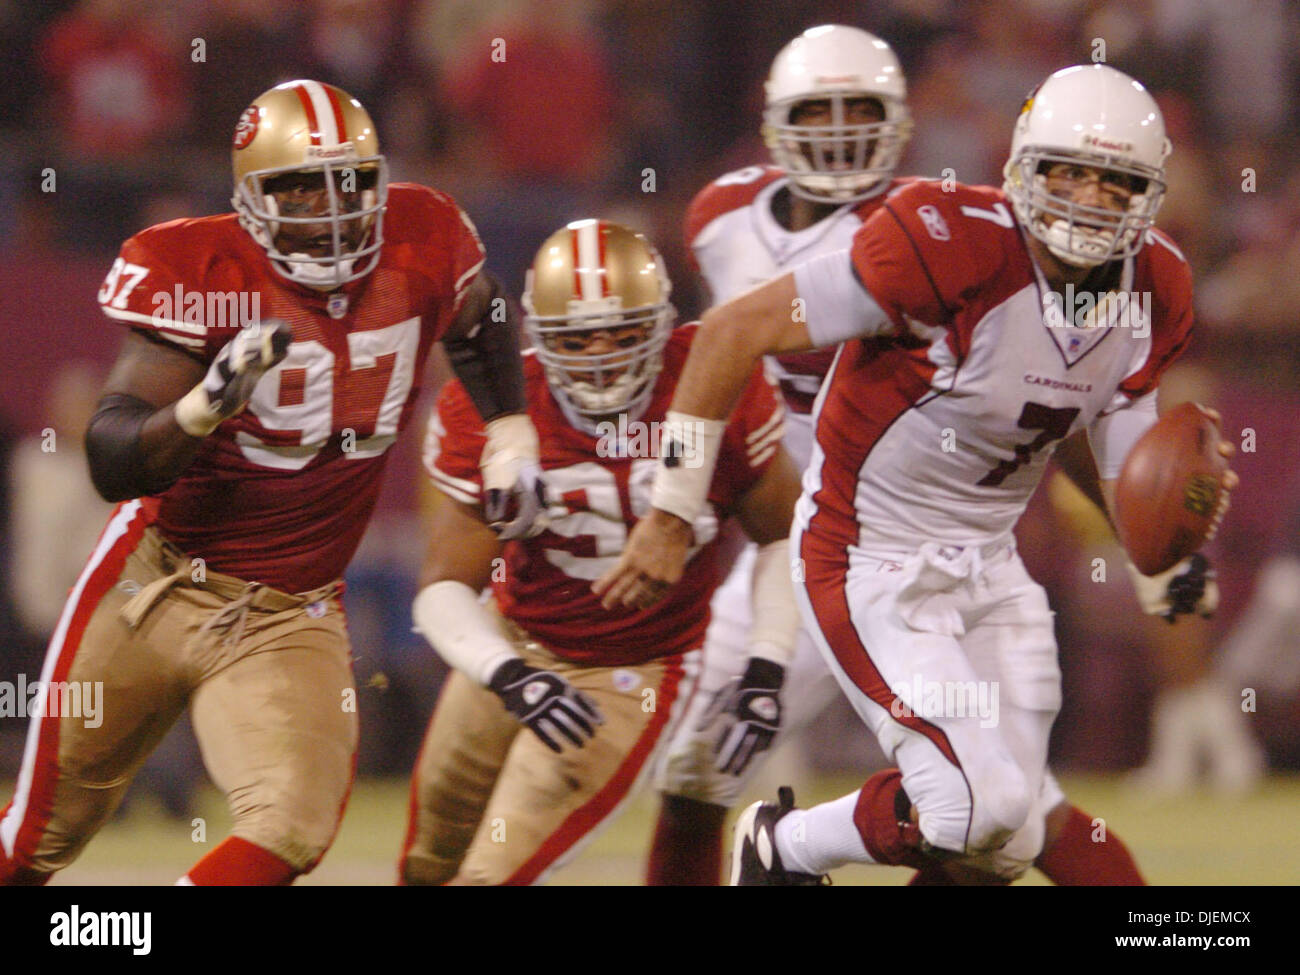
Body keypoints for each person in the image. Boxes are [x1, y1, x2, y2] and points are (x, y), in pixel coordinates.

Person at [597, 63, 1236, 884]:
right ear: (1020, 172)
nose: (1085, 196)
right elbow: (729, 331)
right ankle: (781, 845)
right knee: (976, 806)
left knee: (1003, 841)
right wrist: (672, 511)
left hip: (988, 566)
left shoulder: (1157, 286)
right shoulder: (947, 240)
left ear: (1148, 195)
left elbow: (1107, 438)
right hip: (869, 556)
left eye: (1113, 181)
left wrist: (1163, 553)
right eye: (1066, 172)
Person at [0, 80, 543, 886]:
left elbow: (484, 316)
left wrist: (508, 425)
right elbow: (113, 460)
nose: (327, 207)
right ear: (249, 196)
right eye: (296, 184)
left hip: (291, 611)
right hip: (153, 585)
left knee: (292, 825)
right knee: (34, 841)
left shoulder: (423, 236)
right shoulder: (198, 267)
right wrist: (201, 407)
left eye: (348, 180)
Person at [399, 220, 802, 885]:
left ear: (663, 322)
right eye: (577, 337)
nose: (601, 355)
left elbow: (784, 535)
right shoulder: (496, 408)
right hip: (515, 642)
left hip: (632, 672)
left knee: (487, 877)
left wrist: (766, 665)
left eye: (623, 332)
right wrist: (506, 672)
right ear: (538, 337)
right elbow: (442, 585)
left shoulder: (712, 381)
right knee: (425, 868)